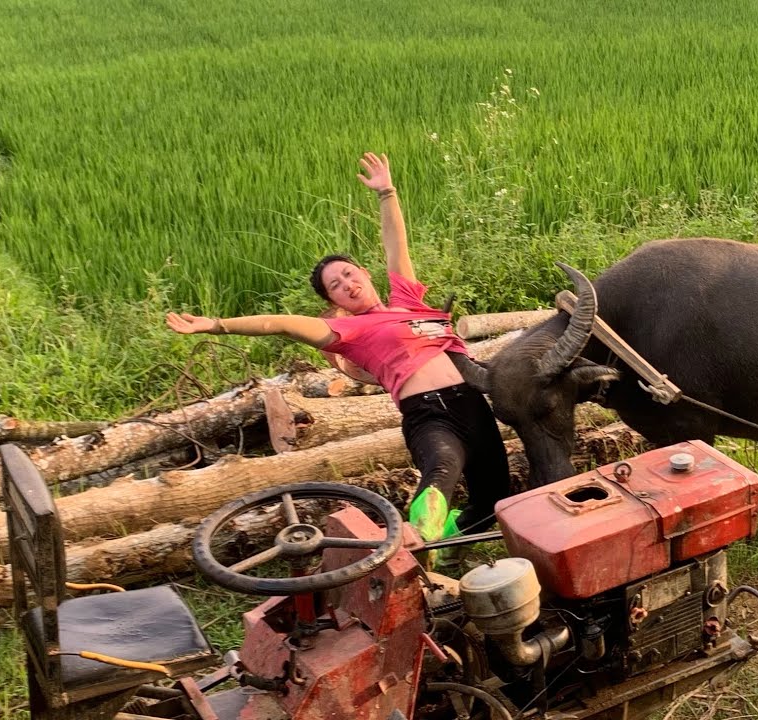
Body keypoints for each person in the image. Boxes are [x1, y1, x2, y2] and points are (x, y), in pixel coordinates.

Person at [166, 152, 512, 562]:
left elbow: (396, 246)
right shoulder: (349, 331)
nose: (346, 284)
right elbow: (283, 323)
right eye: (335, 285)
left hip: (470, 404)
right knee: (439, 475)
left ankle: (445, 548)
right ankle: (416, 555)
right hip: (428, 415)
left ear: (364, 274)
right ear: (333, 301)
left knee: (493, 498)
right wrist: (216, 324)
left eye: (349, 274)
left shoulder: (407, 301)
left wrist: (387, 192)